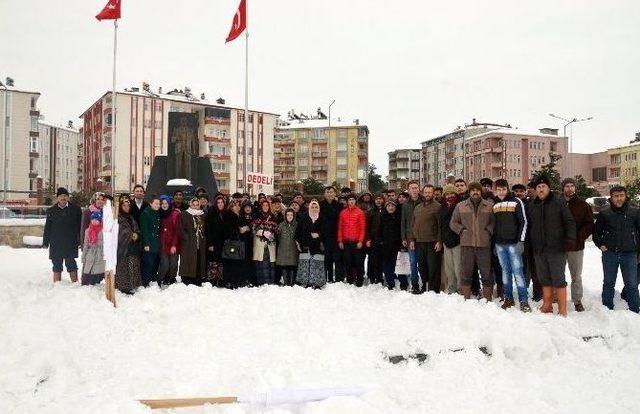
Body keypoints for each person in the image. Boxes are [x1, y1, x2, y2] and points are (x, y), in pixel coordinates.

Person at [527, 176, 576, 317]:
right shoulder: (532, 205)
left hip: (556, 248)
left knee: (558, 278)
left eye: (543, 186)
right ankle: (547, 305)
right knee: (544, 278)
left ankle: (562, 309)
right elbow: (529, 225)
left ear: (548, 188)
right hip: (539, 249)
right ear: (536, 190)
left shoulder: (558, 202)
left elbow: (569, 221)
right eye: (538, 187)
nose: (541, 189)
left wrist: (570, 239)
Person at [593, 186, 640, 313]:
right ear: (611, 197)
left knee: (631, 284)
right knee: (608, 282)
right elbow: (596, 232)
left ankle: (635, 310)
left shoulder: (634, 212)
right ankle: (607, 309)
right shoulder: (605, 213)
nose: (619, 198)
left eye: (621, 195)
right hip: (610, 254)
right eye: (616, 196)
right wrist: (600, 244)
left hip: (629, 254)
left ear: (626, 196)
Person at [450, 182, 495, 301]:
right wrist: (461, 230)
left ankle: (488, 299)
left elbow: (494, 222)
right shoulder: (461, 206)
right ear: (469, 192)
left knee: (486, 273)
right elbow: (453, 223)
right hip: (467, 244)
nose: (475, 192)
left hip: (484, 245)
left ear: (481, 192)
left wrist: (488, 231)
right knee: (466, 272)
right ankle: (466, 298)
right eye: (473, 190)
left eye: (478, 190)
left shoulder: (489, 206)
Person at [492, 179, 530, 312]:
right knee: (505, 273)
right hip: (500, 245)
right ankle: (508, 298)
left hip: (514, 244)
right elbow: (493, 225)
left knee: (518, 273)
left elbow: (524, 222)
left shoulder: (516, 201)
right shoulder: (495, 204)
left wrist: (521, 241)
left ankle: (524, 301)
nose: (501, 192)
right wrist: (494, 244)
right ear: (495, 190)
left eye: (503, 189)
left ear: (507, 189)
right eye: (498, 189)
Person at [561, 178, 594, 312]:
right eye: (567, 186)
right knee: (558, 274)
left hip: (576, 246)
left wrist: (579, 237)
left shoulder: (582, 204)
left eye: (572, 186)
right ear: (563, 188)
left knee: (576, 275)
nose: (569, 188)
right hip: (559, 246)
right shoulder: (557, 203)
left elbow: (589, 224)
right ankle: (559, 297)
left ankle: (577, 300)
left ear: (575, 188)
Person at [43, 187, 82, 283]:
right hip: (56, 242)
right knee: (56, 264)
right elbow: (48, 227)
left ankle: (75, 283)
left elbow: (80, 226)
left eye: (65, 196)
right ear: (57, 198)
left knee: (71, 263)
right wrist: (45, 242)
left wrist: (81, 240)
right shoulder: (51, 211)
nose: (63, 198)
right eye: (60, 196)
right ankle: (57, 285)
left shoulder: (76, 209)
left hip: (71, 241)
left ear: (68, 197)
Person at [408, 184, 442, 293]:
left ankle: (433, 289)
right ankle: (424, 286)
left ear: (433, 193)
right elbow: (413, 224)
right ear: (423, 193)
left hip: (432, 242)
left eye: (429, 192)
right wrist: (412, 239)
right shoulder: (418, 207)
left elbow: (440, 226)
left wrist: (439, 241)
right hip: (419, 242)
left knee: (433, 267)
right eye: (426, 192)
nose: (427, 194)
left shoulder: (437, 207)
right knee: (422, 267)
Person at [338, 193, 367, 286]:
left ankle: (359, 280)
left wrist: (361, 241)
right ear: (347, 201)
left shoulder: (360, 212)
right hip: (346, 242)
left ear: (355, 201)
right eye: (349, 200)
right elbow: (340, 228)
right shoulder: (343, 212)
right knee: (348, 261)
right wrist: (340, 240)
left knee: (359, 262)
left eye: (353, 200)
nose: (351, 201)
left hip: (357, 242)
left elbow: (363, 228)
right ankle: (350, 280)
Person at [295, 200, 326, 288]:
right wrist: (298, 243)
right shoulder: (304, 217)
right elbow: (298, 232)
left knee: (316, 264)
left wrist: (318, 234)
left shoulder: (322, 218)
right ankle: (305, 282)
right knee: (305, 264)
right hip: (306, 245)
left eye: (316, 207)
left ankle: (317, 283)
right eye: (312, 207)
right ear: (309, 208)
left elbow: (327, 232)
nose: (314, 208)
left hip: (318, 245)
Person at [115, 194, 142, 293]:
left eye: (128, 206)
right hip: (123, 248)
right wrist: (130, 235)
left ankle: (133, 285)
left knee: (133, 265)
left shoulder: (131, 218)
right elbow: (119, 232)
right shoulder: (118, 218)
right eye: (124, 206)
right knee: (123, 267)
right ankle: (123, 287)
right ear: (121, 207)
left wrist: (136, 235)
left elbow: (137, 230)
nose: (127, 207)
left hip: (133, 247)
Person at [222, 200, 252, 288]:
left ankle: (236, 281)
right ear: (231, 206)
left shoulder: (239, 216)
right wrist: (239, 229)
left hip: (238, 242)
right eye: (235, 205)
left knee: (237, 262)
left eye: (239, 205)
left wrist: (246, 228)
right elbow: (228, 228)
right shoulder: (228, 215)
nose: (237, 207)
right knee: (230, 262)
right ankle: (229, 281)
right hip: (231, 242)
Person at [379, 201, 408, 290]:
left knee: (400, 265)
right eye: (389, 206)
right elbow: (379, 231)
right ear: (386, 207)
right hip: (386, 246)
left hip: (398, 246)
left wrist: (403, 244)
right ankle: (390, 283)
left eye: (392, 206)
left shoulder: (399, 217)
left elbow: (403, 231)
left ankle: (404, 284)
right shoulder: (383, 217)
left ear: (395, 207)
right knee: (387, 265)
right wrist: (381, 242)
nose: (391, 207)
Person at [179, 197, 207, 286]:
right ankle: (187, 278)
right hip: (188, 243)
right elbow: (180, 228)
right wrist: (186, 237)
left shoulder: (202, 215)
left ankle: (197, 278)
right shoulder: (185, 214)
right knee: (188, 260)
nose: (195, 206)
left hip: (200, 241)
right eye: (193, 205)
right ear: (190, 205)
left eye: (197, 205)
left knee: (198, 259)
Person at [401, 180, 422, 292]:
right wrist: (404, 238)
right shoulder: (405, 205)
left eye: (416, 187)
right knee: (413, 262)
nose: (414, 190)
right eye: (412, 188)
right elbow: (403, 222)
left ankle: (425, 284)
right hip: (410, 238)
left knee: (423, 263)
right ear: (408, 191)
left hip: (423, 238)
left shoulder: (424, 201)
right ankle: (415, 285)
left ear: (419, 189)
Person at [440, 185, 462, 295]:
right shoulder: (442, 207)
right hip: (446, 241)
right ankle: (451, 287)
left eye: (452, 193)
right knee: (449, 267)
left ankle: (460, 288)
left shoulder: (460, 205)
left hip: (458, 240)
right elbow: (441, 225)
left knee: (458, 267)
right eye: (447, 194)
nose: (450, 196)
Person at [319, 186, 343, 283]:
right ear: (324, 194)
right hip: (323, 236)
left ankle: (338, 279)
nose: (329, 194)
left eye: (331, 192)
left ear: (335, 194)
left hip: (336, 235)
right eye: (327, 192)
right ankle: (325, 278)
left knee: (337, 258)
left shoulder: (339, 206)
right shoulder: (320, 205)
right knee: (326, 258)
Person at [252, 200, 279, 285]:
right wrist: (263, 232)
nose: (265, 207)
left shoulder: (273, 217)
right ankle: (261, 283)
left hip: (270, 244)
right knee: (261, 263)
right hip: (259, 244)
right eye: (264, 205)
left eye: (267, 205)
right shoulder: (257, 216)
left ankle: (270, 283)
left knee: (270, 264)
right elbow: (253, 228)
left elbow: (277, 230)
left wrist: (272, 235)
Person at [158, 195, 181, 286]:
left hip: (173, 243)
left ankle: (171, 279)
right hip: (163, 244)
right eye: (162, 203)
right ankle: (159, 279)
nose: (164, 205)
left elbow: (177, 231)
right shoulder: (158, 213)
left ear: (169, 203)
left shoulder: (174, 214)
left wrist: (174, 245)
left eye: (166, 203)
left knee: (174, 264)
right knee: (165, 264)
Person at [205, 195, 227, 285]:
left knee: (221, 261)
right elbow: (208, 229)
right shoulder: (211, 213)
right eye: (218, 202)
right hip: (213, 242)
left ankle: (221, 279)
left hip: (223, 242)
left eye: (222, 202)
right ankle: (213, 279)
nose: (220, 204)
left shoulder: (226, 213)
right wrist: (210, 244)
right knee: (213, 261)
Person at [140, 197, 161, 286]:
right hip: (149, 243)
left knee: (154, 263)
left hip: (155, 243)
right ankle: (145, 281)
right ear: (151, 203)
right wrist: (146, 244)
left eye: (159, 204)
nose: (158, 205)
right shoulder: (146, 214)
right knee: (148, 263)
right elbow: (144, 230)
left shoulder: (156, 213)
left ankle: (152, 278)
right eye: (156, 203)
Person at [81, 210, 105, 286]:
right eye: (93, 219)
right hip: (90, 254)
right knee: (88, 270)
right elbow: (86, 244)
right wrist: (83, 255)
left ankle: (97, 282)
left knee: (98, 271)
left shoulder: (103, 230)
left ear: (100, 220)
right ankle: (87, 283)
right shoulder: (87, 231)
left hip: (100, 254)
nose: (94, 221)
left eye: (97, 219)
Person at [276, 208, 299, 286]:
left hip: (293, 248)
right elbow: (278, 237)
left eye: (291, 215)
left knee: (292, 265)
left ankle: (292, 282)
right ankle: (286, 282)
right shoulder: (281, 225)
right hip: (283, 248)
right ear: (285, 216)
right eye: (288, 215)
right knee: (284, 265)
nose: (289, 216)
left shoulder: (297, 224)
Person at [366, 194, 385, 285]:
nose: (378, 201)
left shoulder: (386, 211)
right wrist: (368, 238)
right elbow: (367, 227)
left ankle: (380, 277)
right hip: (373, 239)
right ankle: (372, 276)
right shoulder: (371, 212)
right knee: (372, 259)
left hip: (383, 240)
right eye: (377, 199)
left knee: (381, 260)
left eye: (380, 199)